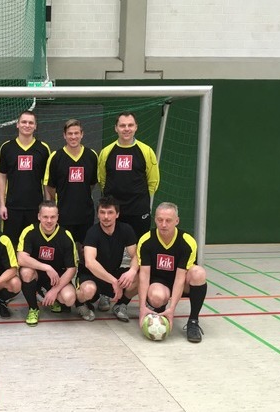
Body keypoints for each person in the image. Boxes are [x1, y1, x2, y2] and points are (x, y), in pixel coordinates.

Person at [137, 202, 208, 343]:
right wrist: (141, 308)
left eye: (168, 220)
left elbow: (180, 278)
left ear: (177, 221)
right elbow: (144, 276)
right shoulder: (146, 240)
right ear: (155, 219)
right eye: (160, 220)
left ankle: (193, 321)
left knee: (199, 273)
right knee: (156, 296)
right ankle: (158, 313)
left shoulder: (187, 242)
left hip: (181, 282)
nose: (163, 224)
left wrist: (172, 309)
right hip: (159, 282)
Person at [97, 111, 159, 239]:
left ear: (136, 127)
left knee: (139, 246)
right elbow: (102, 179)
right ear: (116, 128)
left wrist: (141, 200)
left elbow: (153, 181)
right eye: (122, 125)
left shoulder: (146, 151)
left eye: (130, 125)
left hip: (138, 210)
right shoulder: (106, 152)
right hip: (114, 211)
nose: (126, 129)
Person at [76, 197, 139, 322]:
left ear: (117, 214)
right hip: (90, 275)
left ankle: (121, 304)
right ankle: (80, 304)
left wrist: (132, 271)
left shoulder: (126, 229)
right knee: (88, 290)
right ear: (98, 214)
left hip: (113, 272)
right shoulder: (92, 232)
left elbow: (136, 256)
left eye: (110, 212)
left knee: (139, 275)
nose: (106, 217)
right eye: (102, 212)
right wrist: (114, 281)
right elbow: (90, 263)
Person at [17, 201, 77, 326]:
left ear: (57, 217)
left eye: (52, 217)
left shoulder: (66, 236)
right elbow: (21, 259)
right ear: (39, 216)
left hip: (56, 278)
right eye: (45, 217)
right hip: (36, 275)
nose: (49, 221)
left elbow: (71, 269)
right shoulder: (29, 231)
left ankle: (50, 296)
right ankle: (33, 308)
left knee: (69, 299)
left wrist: (55, 290)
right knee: (26, 272)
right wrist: (47, 267)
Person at [0, 111, 51, 246]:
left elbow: (47, 180)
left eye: (31, 122)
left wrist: (48, 205)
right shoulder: (7, 148)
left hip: (36, 207)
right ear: (17, 124)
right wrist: (2, 205)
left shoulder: (43, 148)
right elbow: (2, 176)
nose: (27, 125)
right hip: (12, 207)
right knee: (11, 245)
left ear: (35, 126)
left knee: (34, 244)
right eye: (24, 122)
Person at [44, 118, 98, 243]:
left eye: (76, 133)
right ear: (64, 135)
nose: (73, 137)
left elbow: (92, 183)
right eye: (70, 133)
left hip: (85, 215)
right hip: (63, 215)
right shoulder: (55, 157)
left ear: (82, 134)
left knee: (85, 249)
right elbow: (50, 186)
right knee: (65, 250)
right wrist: (63, 197)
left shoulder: (91, 155)